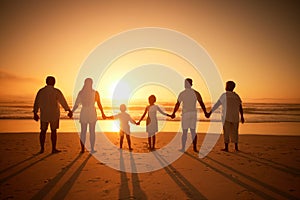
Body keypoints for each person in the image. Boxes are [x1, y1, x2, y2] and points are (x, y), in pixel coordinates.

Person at [33, 76, 73, 154]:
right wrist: (68, 110)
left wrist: (35, 112)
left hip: (44, 114)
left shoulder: (41, 91)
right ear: (54, 82)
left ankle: (42, 149)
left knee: (43, 131)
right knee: (53, 131)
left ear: (46, 82)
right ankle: (53, 148)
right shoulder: (56, 91)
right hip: (54, 114)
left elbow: (36, 102)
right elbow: (62, 101)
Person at [171, 78, 208, 152]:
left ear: (186, 84)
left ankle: (183, 148)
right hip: (193, 113)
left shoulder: (182, 93)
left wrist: (173, 113)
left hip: (186, 114)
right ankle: (194, 148)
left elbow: (177, 104)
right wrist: (205, 112)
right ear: (191, 84)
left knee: (185, 132)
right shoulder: (196, 93)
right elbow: (201, 103)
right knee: (193, 131)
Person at [206, 81, 244, 152]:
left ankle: (226, 147)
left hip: (226, 116)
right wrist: (242, 116)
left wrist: (210, 113)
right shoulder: (236, 96)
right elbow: (240, 107)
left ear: (229, 87)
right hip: (235, 117)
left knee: (226, 131)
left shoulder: (224, 95)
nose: (225, 87)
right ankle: (236, 147)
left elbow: (217, 104)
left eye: (226, 85)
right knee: (235, 131)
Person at [72, 78, 106, 153]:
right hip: (91, 112)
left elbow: (76, 104)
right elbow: (99, 104)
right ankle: (92, 149)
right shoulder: (95, 92)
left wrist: (72, 112)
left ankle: (83, 149)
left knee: (83, 131)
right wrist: (102, 113)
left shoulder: (81, 92)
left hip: (84, 112)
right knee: (91, 131)